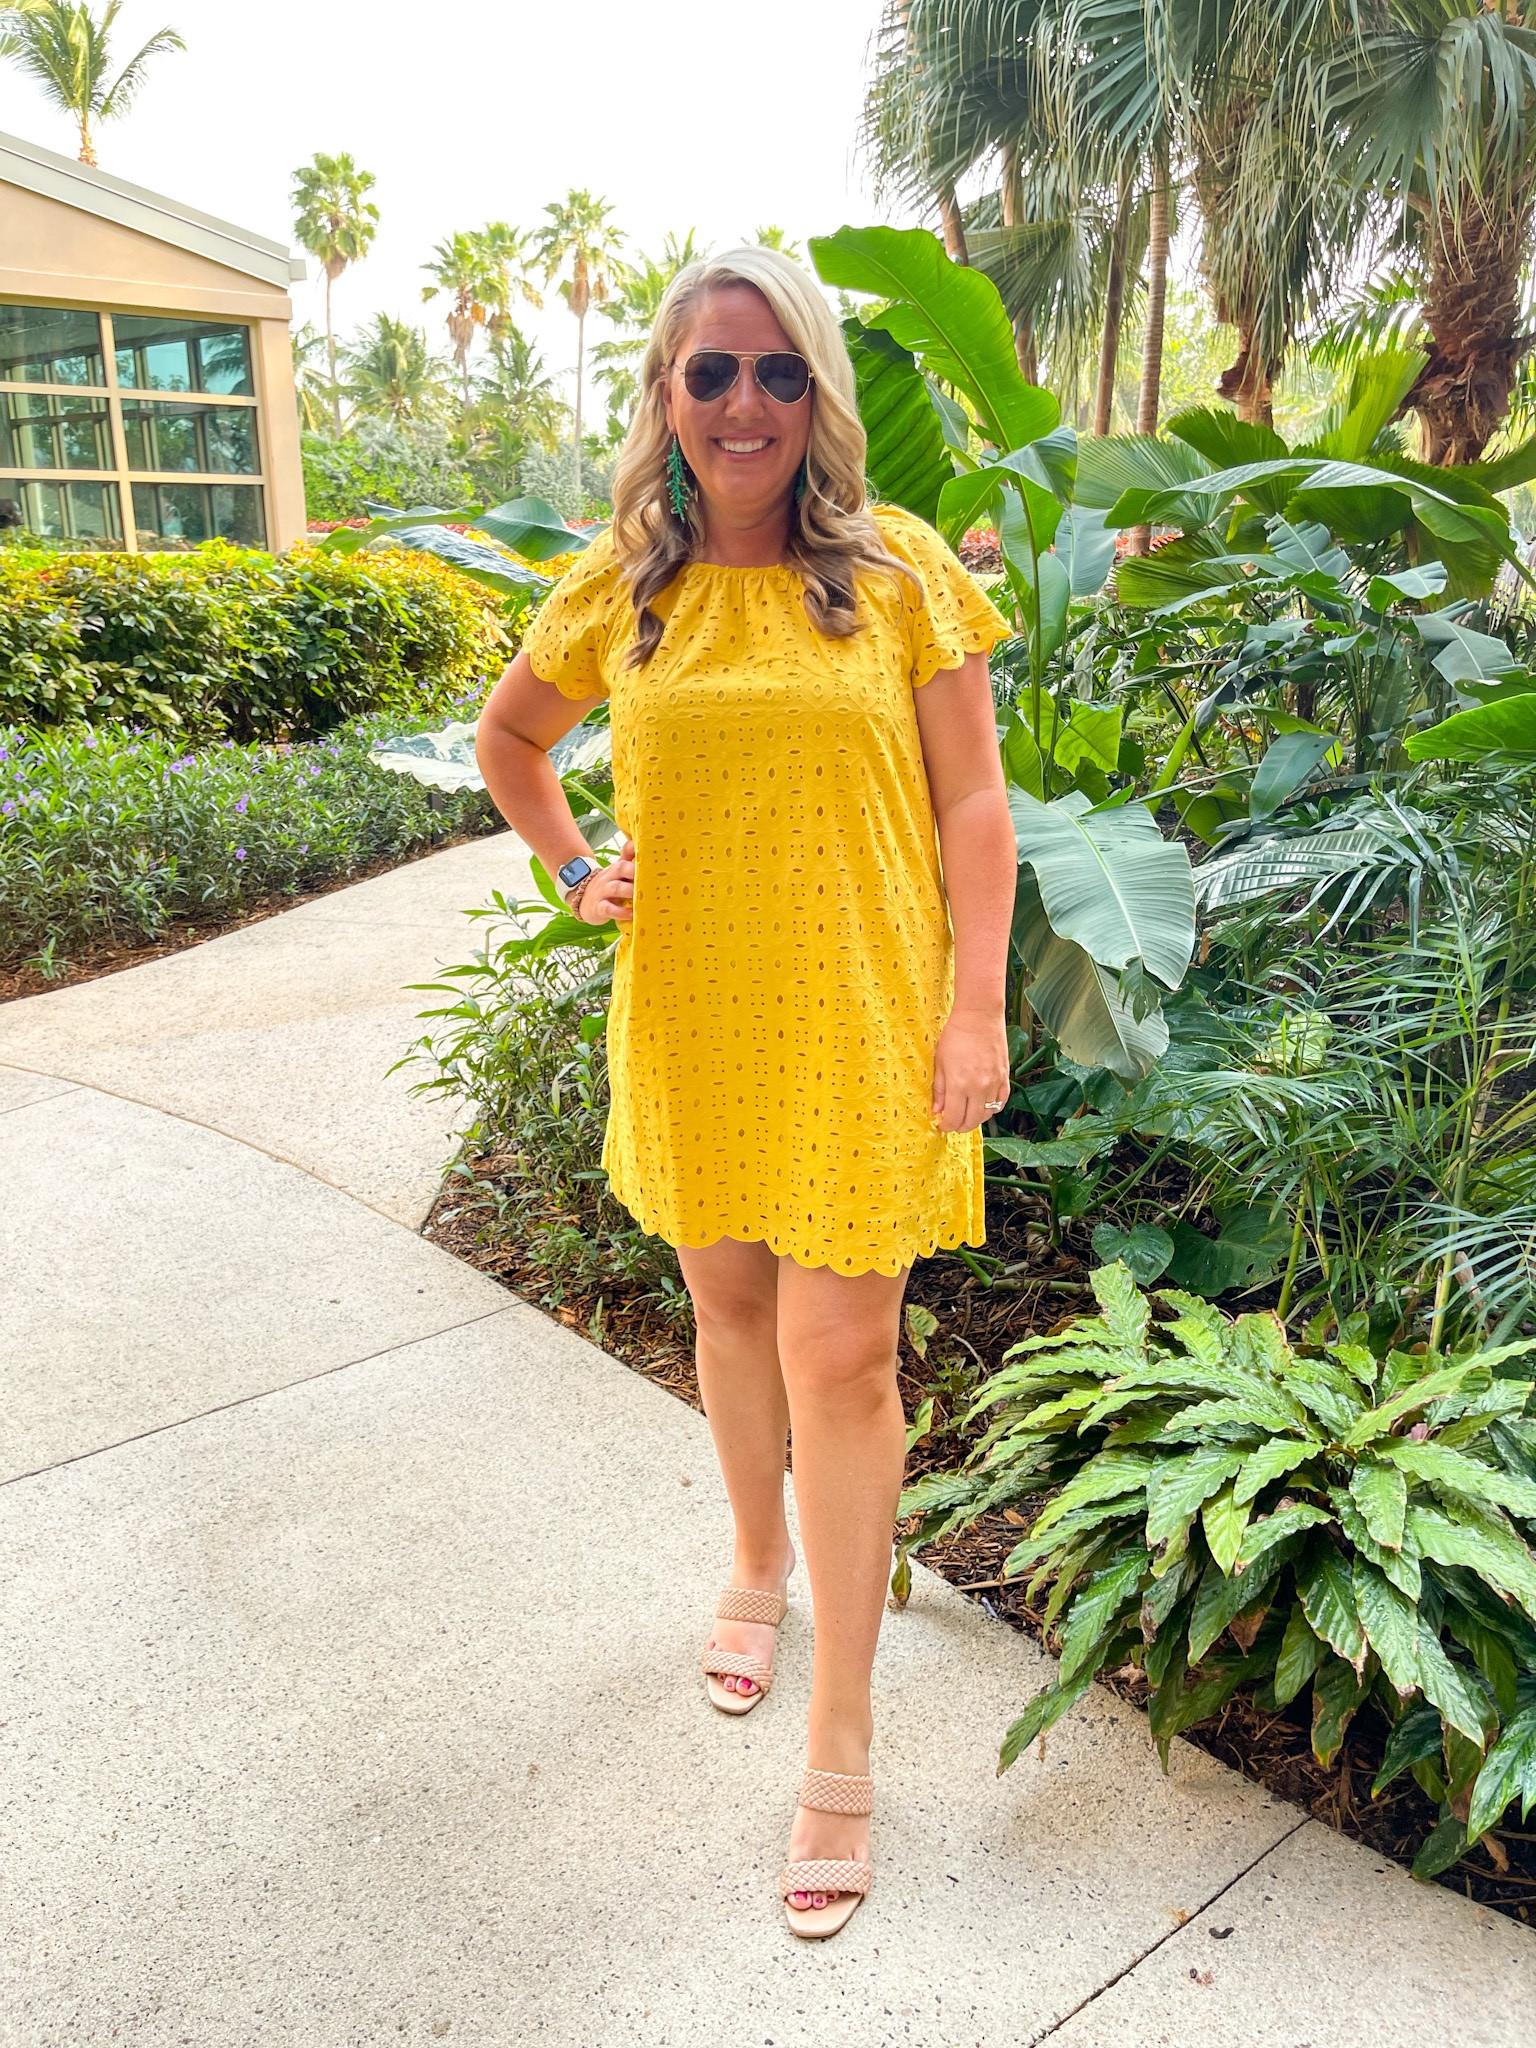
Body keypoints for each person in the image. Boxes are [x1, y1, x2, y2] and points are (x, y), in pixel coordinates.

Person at [475, 246, 1014, 1940]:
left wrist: (976, 1008)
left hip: (863, 1020)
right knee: (724, 1312)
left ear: (818, 399)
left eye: (780, 373)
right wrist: (574, 870)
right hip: (696, 1016)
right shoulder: (619, 589)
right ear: (666, 396)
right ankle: (755, 1566)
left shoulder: (902, 572)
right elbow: (511, 738)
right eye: (712, 372)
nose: (746, 404)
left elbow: (980, 811)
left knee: (841, 1358)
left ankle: (842, 1735)